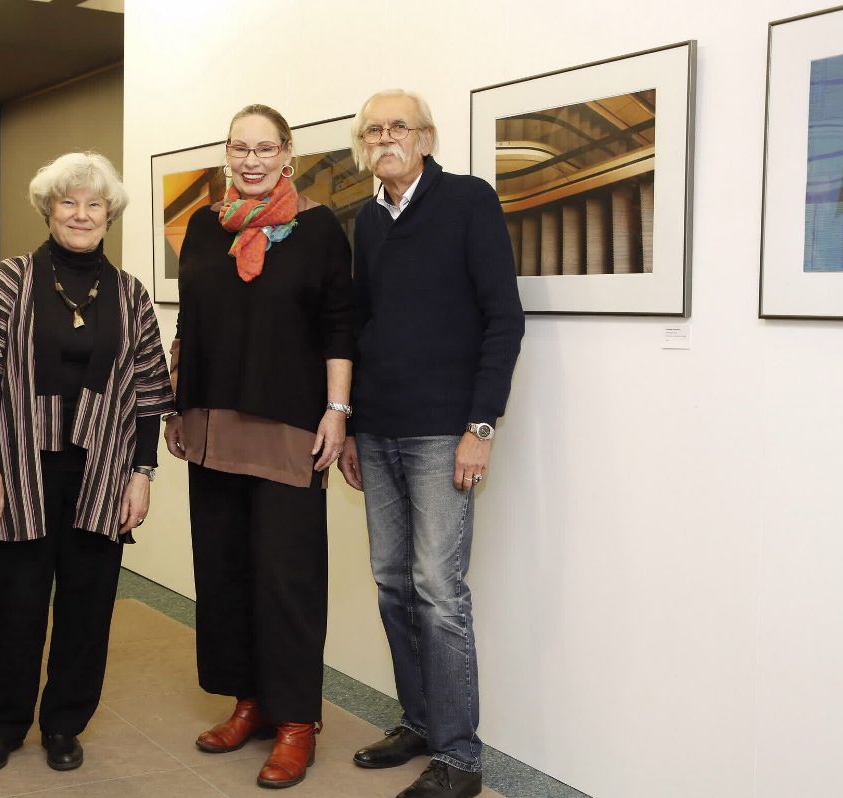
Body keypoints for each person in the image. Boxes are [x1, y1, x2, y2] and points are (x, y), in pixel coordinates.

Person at [0, 151, 175, 775]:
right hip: (23, 467)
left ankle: (65, 723)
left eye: (94, 204)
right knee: (18, 600)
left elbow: (150, 392)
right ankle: (5, 724)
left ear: (110, 214)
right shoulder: (9, 279)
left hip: (103, 471)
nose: (81, 213)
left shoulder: (130, 294)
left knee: (90, 602)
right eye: (68, 202)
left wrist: (142, 472)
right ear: (48, 209)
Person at [338, 89, 525, 798]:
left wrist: (481, 426)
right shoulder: (366, 220)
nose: (385, 137)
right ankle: (419, 720)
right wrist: (353, 423)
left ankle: (461, 758)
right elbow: (360, 328)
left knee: (438, 591)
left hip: (444, 432)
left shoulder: (469, 201)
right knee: (392, 583)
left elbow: (503, 321)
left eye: (398, 127)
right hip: (378, 429)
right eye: (374, 129)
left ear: (424, 137)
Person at [164, 103, 353, 789]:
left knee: (288, 577)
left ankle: (298, 719)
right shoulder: (204, 229)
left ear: (287, 153)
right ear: (226, 154)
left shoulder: (320, 228)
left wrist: (338, 410)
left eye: (263, 148)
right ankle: (250, 702)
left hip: (289, 427)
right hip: (213, 420)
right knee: (226, 572)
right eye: (239, 148)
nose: (250, 160)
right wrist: (177, 401)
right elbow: (191, 318)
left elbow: (339, 326)